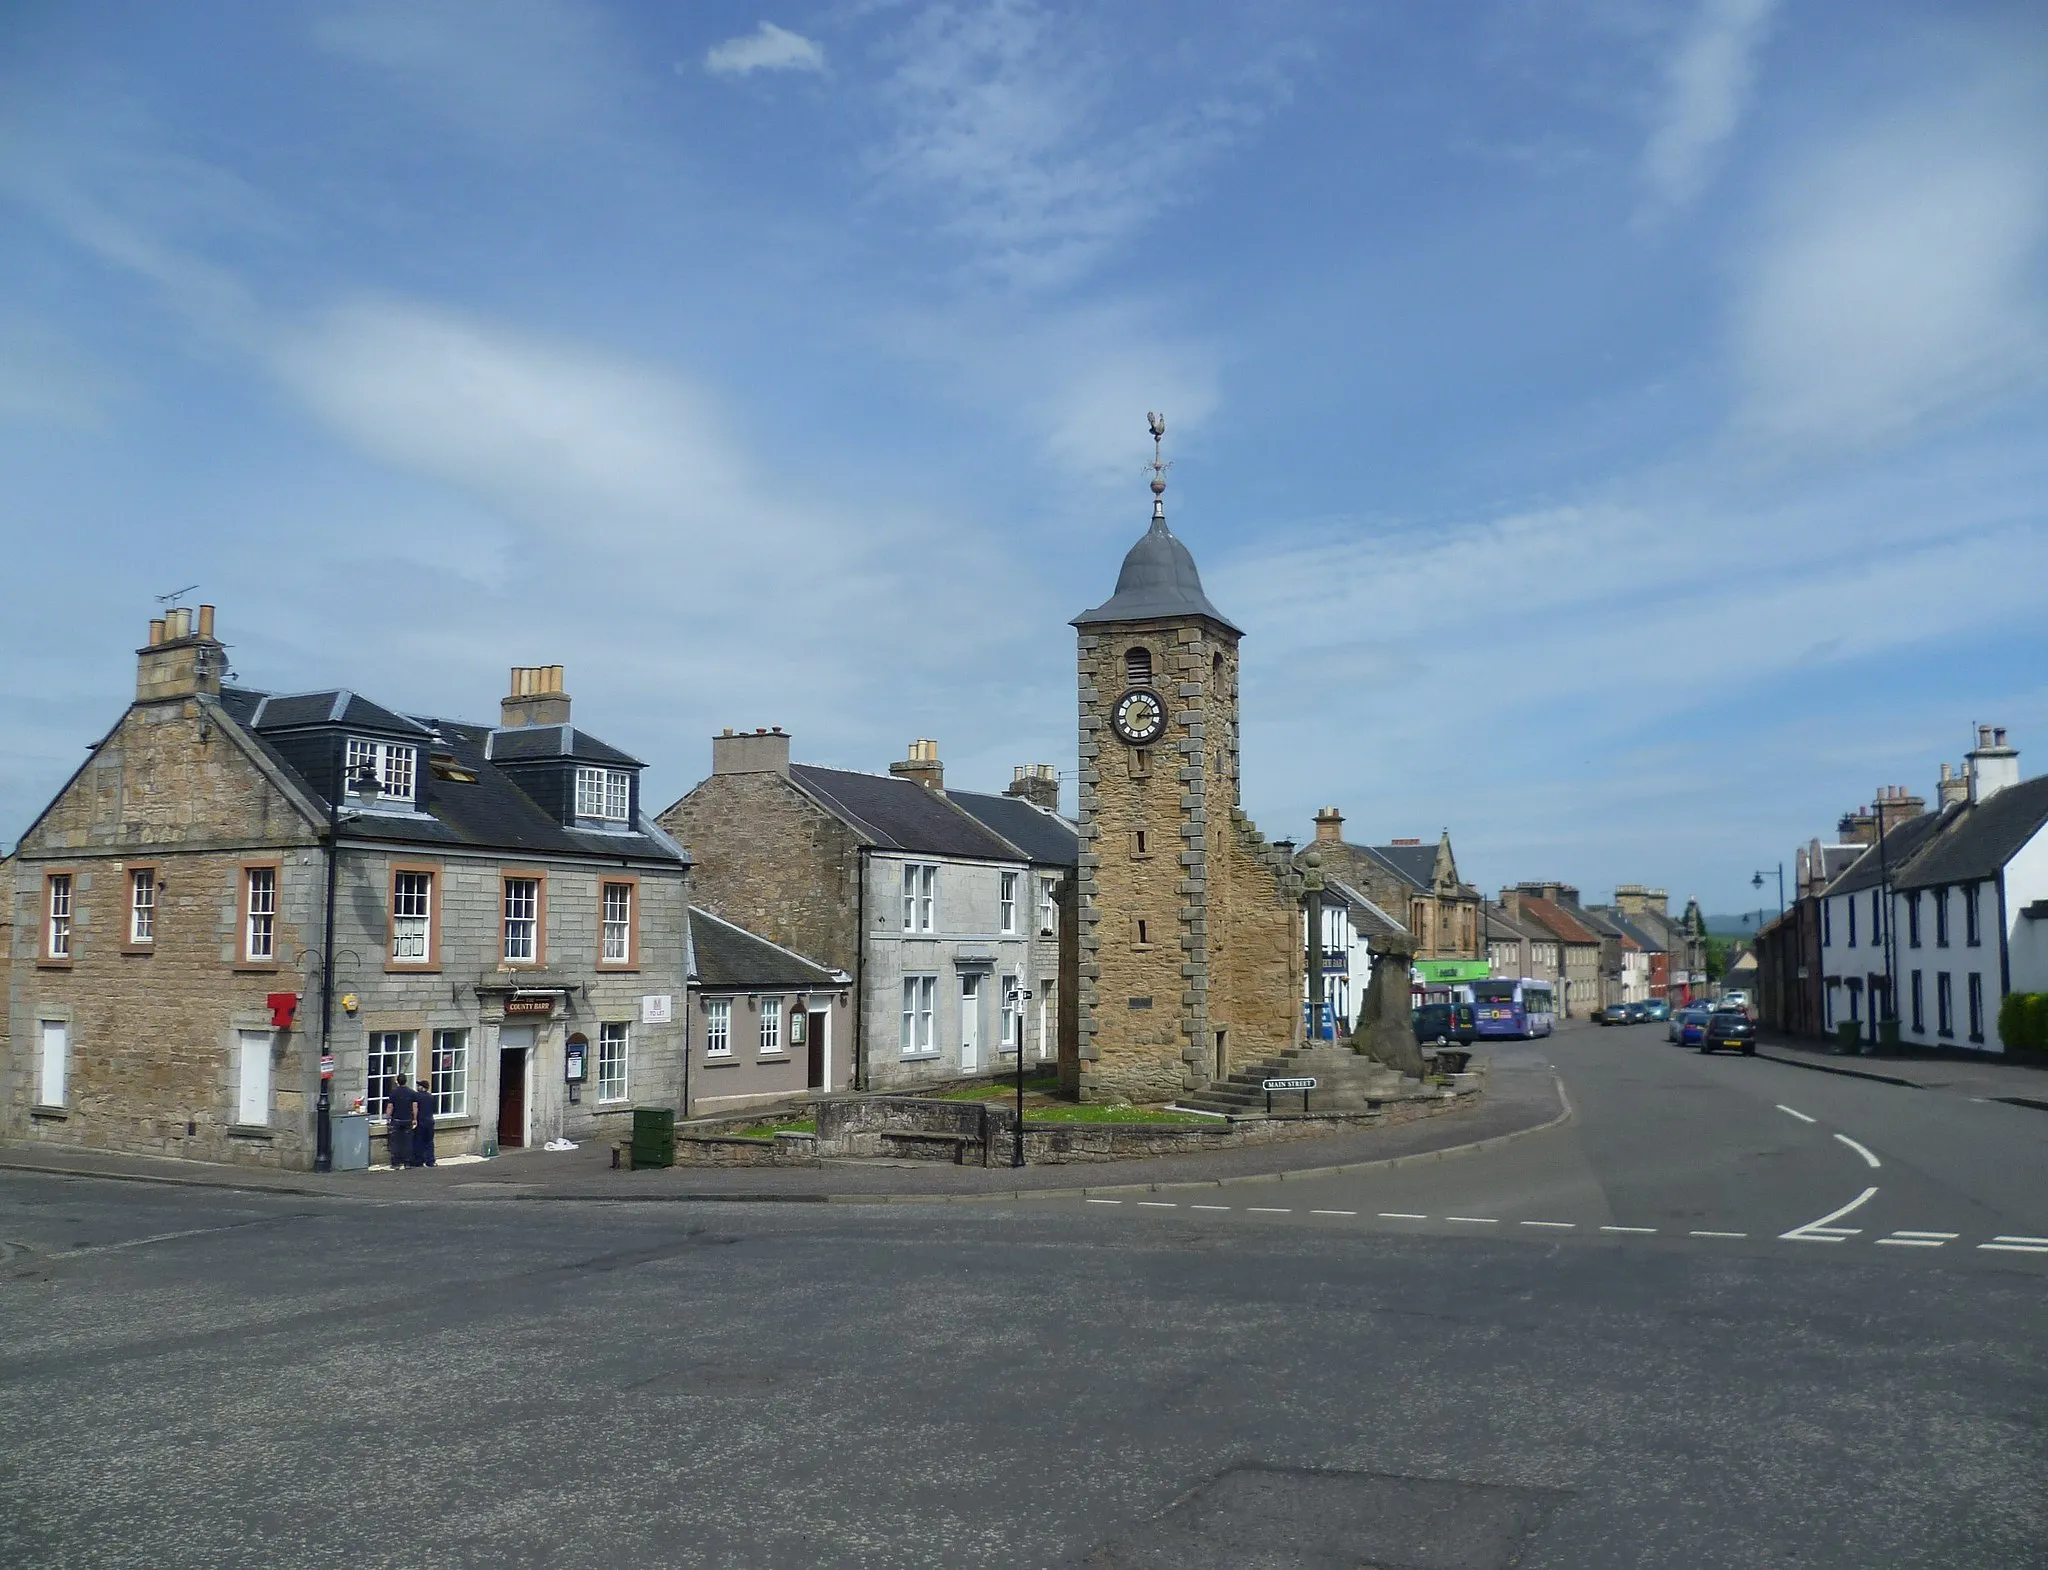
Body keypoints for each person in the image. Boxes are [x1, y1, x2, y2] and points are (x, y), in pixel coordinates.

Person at [385, 1074, 413, 1170]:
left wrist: (388, 1118)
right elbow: (415, 1107)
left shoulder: (394, 1093)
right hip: (408, 1119)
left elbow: (390, 1107)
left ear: (397, 1081)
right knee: (407, 1142)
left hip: (396, 1120)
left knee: (395, 1142)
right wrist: (415, 1119)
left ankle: (396, 1163)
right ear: (406, 1081)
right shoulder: (411, 1092)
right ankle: (407, 1163)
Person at [411, 1069, 437, 1168]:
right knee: (429, 1142)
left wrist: (414, 1119)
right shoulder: (431, 1097)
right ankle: (430, 1161)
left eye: (418, 1086)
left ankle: (419, 1161)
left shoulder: (417, 1096)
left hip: (421, 1121)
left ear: (422, 1087)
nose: (417, 1087)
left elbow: (415, 1108)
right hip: (430, 1121)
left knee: (419, 1141)